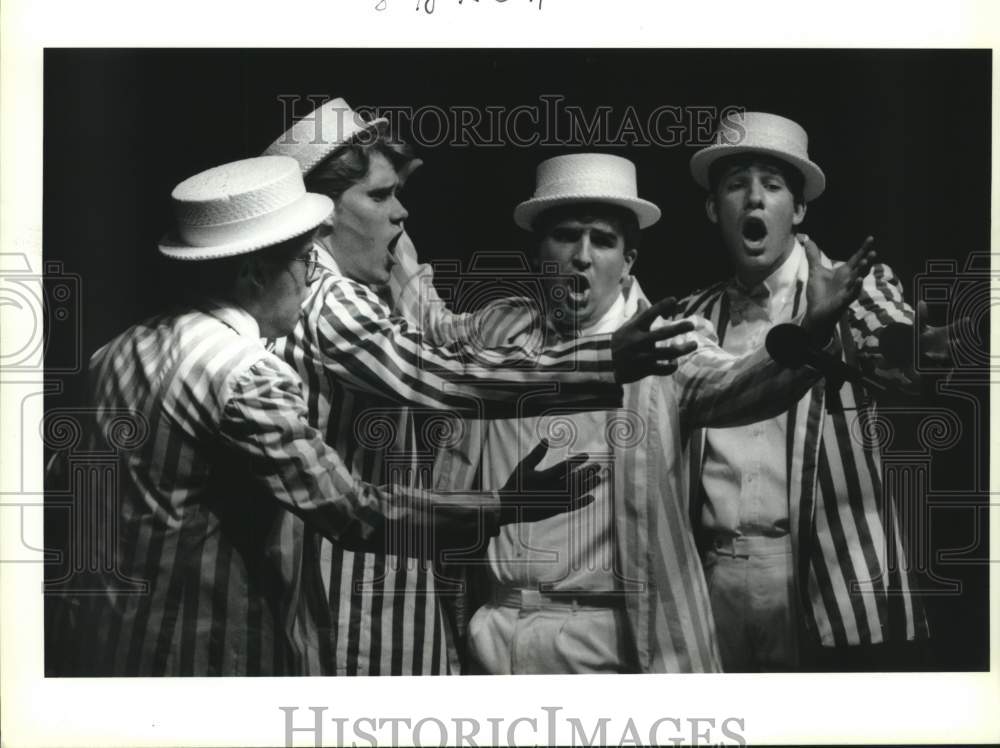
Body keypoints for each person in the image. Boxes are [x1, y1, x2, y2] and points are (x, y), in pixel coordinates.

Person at [57, 155, 604, 676]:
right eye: (303, 262)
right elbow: (354, 512)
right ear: (252, 273)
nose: (314, 277)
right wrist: (506, 505)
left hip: (105, 651)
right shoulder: (246, 375)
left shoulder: (114, 352)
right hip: (204, 662)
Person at [261, 100, 695, 674]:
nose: (401, 215)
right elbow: (445, 377)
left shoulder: (343, 292)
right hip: (355, 609)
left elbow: (437, 335)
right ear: (320, 218)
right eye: (380, 196)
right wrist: (605, 359)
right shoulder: (332, 302)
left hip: (387, 596)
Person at [417, 152, 875, 673]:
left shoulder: (664, 345)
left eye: (603, 240)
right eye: (566, 236)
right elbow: (420, 326)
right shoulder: (496, 336)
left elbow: (742, 386)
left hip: (611, 645)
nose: (582, 256)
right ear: (539, 250)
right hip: (494, 639)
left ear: (629, 260)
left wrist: (811, 330)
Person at [680, 111, 932, 671]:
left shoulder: (852, 288)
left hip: (821, 574)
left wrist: (935, 345)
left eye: (771, 186)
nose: (753, 200)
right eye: (736, 186)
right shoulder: (694, 316)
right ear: (712, 208)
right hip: (713, 573)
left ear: (796, 210)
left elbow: (907, 354)